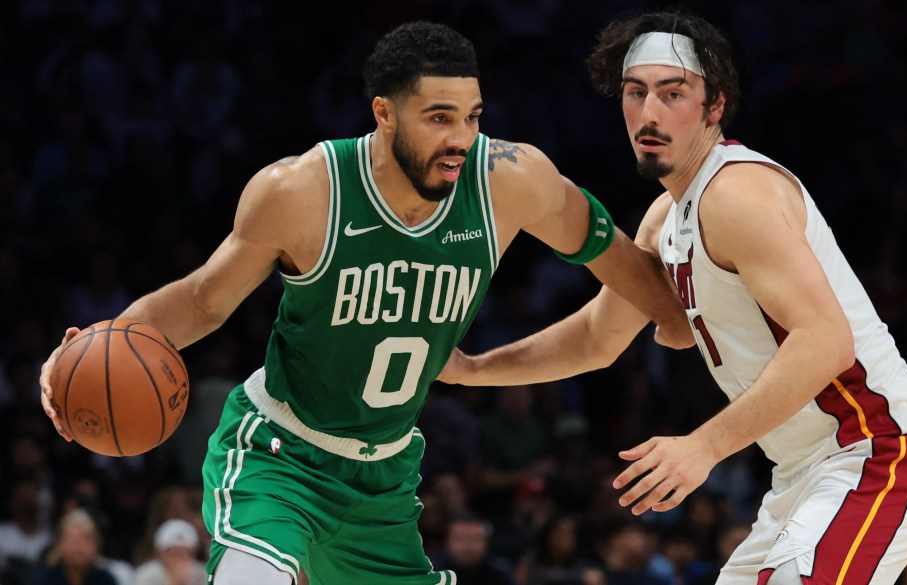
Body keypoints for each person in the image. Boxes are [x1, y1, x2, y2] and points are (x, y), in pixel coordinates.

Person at [38, 21, 690, 585]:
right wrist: (92, 348)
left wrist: (674, 313)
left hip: (385, 477)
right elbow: (203, 302)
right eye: (439, 118)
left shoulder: (511, 180)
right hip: (280, 451)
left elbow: (618, 269)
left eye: (472, 116)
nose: (461, 137)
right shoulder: (300, 192)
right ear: (384, 113)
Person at [440, 10, 907, 585]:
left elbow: (827, 340)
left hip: (881, 454)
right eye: (636, 93)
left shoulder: (737, 194)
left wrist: (703, 447)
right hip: (802, 473)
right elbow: (597, 337)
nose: (650, 112)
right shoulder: (666, 217)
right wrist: (468, 370)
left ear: (714, 107)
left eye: (673, 93)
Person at [33, 510, 116, 585]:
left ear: (96, 545)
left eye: (86, 538)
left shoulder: (106, 580)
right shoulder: (44, 580)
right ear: (60, 544)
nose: (78, 545)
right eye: (72, 539)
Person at [134, 519, 205, 585]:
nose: (179, 559)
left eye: (186, 553)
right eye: (174, 554)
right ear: (159, 555)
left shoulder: (201, 574)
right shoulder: (148, 574)